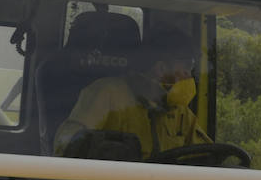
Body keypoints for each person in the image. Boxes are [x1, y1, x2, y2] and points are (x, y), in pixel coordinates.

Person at [53, 28, 209, 160]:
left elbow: (206, 153)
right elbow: (66, 145)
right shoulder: (107, 92)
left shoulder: (180, 111)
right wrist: (106, 151)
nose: (189, 75)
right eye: (186, 66)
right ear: (161, 69)